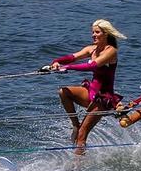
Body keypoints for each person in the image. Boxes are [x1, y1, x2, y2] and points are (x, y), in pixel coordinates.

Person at [48, 20, 127, 154]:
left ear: (106, 34)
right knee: (63, 92)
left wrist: (65, 67)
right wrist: (57, 62)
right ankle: (75, 124)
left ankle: (78, 167)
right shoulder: (91, 49)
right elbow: (72, 57)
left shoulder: (111, 51)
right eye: (92, 32)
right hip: (90, 92)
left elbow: (92, 66)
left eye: (97, 32)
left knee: (82, 135)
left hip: (102, 99)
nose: (93, 35)